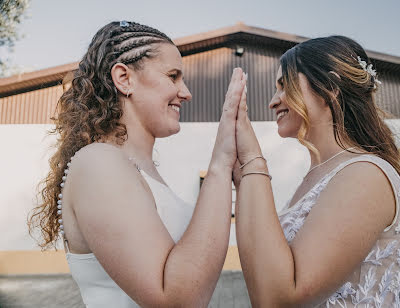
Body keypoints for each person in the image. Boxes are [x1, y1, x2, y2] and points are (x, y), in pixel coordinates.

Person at [28, 21, 246, 307]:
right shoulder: (99, 163)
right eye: (173, 76)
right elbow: (176, 300)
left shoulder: (131, 167)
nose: (186, 92)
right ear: (124, 78)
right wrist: (220, 164)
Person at [233, 36, 400, 307]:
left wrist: (254, 160)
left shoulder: (364, 175)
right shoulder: (321, 175)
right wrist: (245, 181)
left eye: (284, 86)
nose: (273, 101)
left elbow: (280, 298)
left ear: (329, 87)